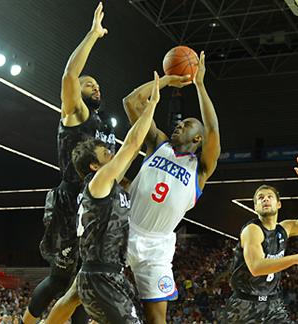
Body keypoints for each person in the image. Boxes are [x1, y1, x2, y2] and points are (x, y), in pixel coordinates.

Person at [22, 3, 115, 324]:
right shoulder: (76, 114)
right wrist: (92, 35)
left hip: (96, 205)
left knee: (84, 281)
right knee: (62, 279)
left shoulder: (106, 126)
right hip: (68, 201)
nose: (96, 87)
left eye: (98, 86)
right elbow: (69, 75)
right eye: (90, 84)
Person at [123, 50, 221, 324]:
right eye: (180, 123)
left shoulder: (200, 169)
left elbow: (213, 129)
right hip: (123, 229)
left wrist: (200, 85)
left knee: (157, 318)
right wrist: (166, 80)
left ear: (198, 138)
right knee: (84, 292)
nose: (180, 125)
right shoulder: (158, 143)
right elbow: (131, 102)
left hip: (157, 246)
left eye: (187, 125)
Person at [72, 71, 161, 323]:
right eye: (105, 153)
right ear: (93, 165)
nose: (112, 154)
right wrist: (151, 106)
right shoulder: (98, 182)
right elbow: (131, 145)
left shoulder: (108, 184)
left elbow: (131, 153)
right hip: (100, 277)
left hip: (109, 275)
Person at [224, 154, 298, 323]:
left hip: (273, 302)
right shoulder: (252, 230)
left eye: (269, 196)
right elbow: (256, 267)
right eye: (260, 198)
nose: (265, 199)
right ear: (255, 207)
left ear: (278, 204)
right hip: (245, 304)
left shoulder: (285, 228)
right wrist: (296, 258)